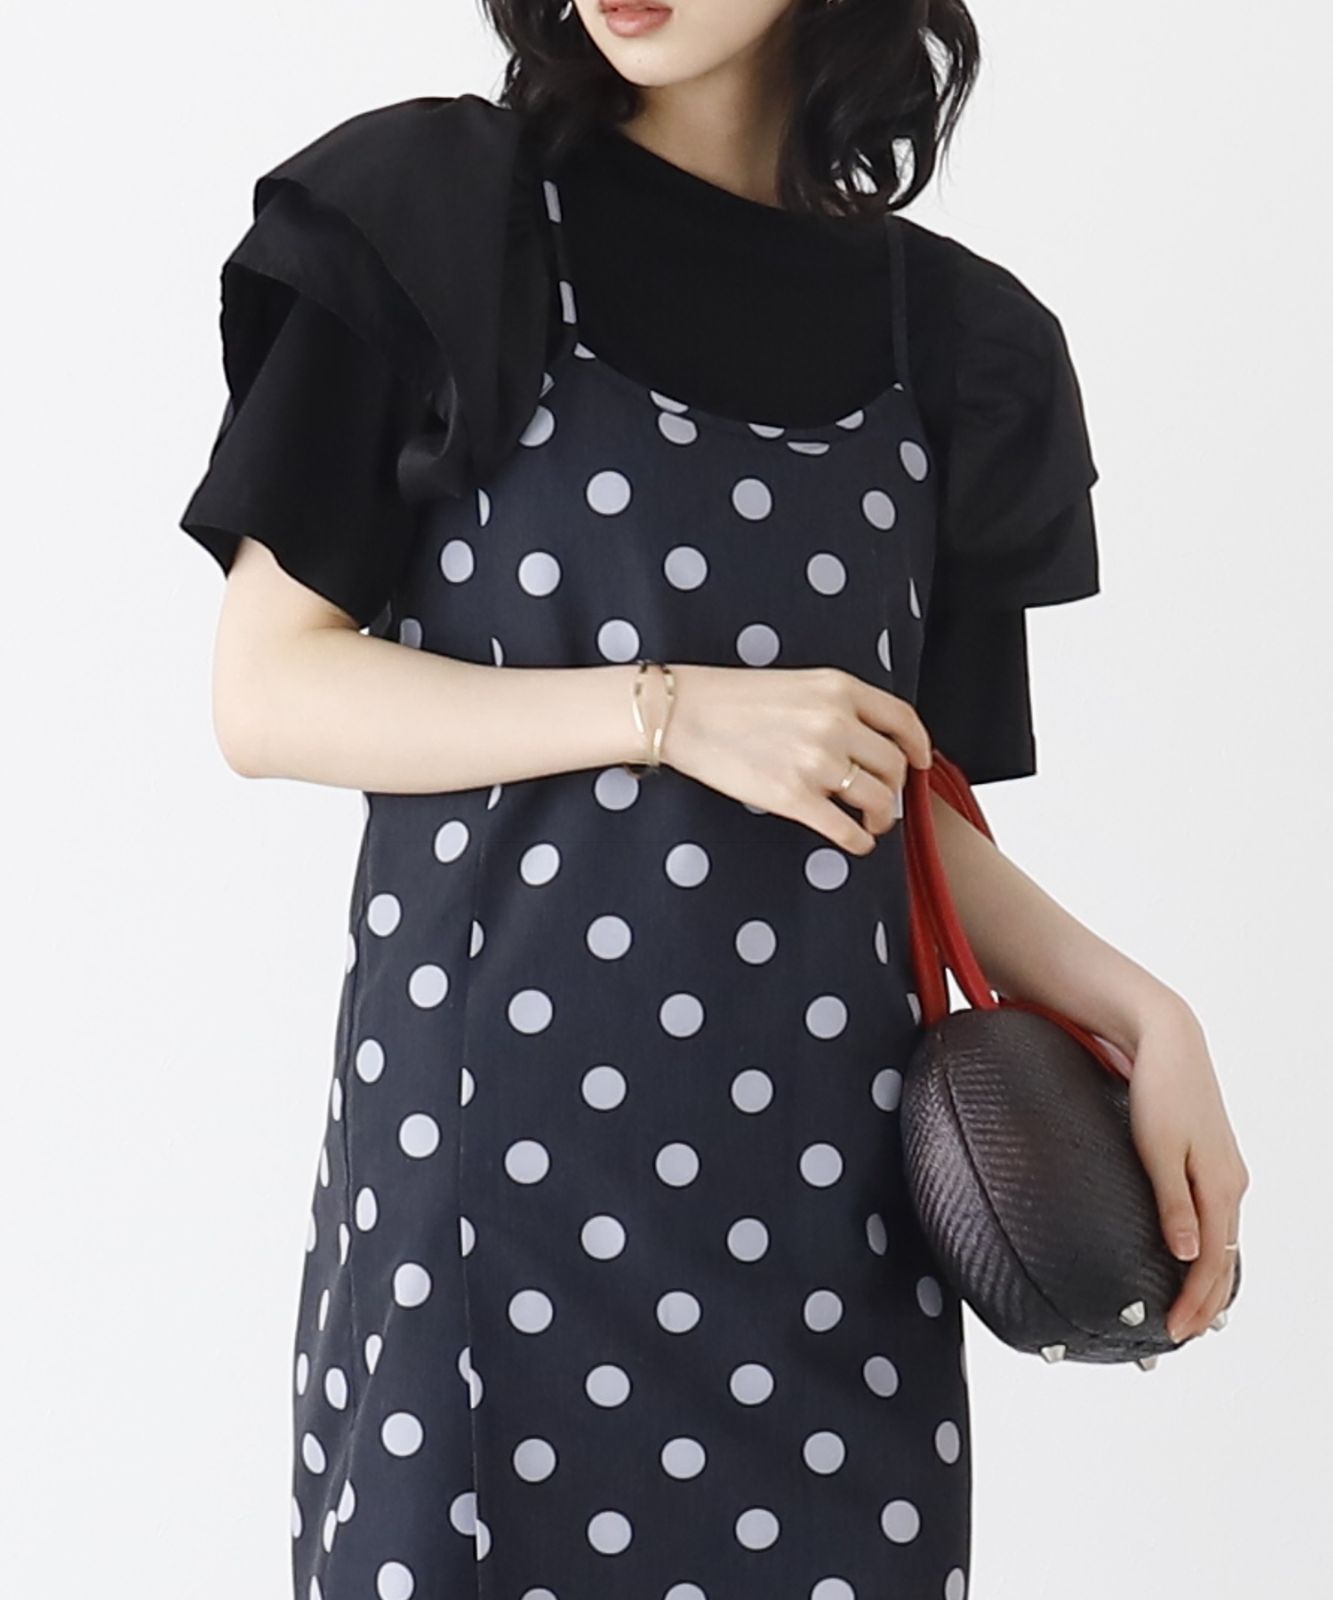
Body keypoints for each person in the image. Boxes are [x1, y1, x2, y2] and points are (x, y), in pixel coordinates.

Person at [177, 3, 1251, 1596]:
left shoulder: (954, 344)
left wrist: (1143, 1014)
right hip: (493, 1210)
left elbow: (893, 803)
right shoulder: (441, 219)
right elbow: (265, 692)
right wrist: (663, 714)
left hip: (827, 1223)